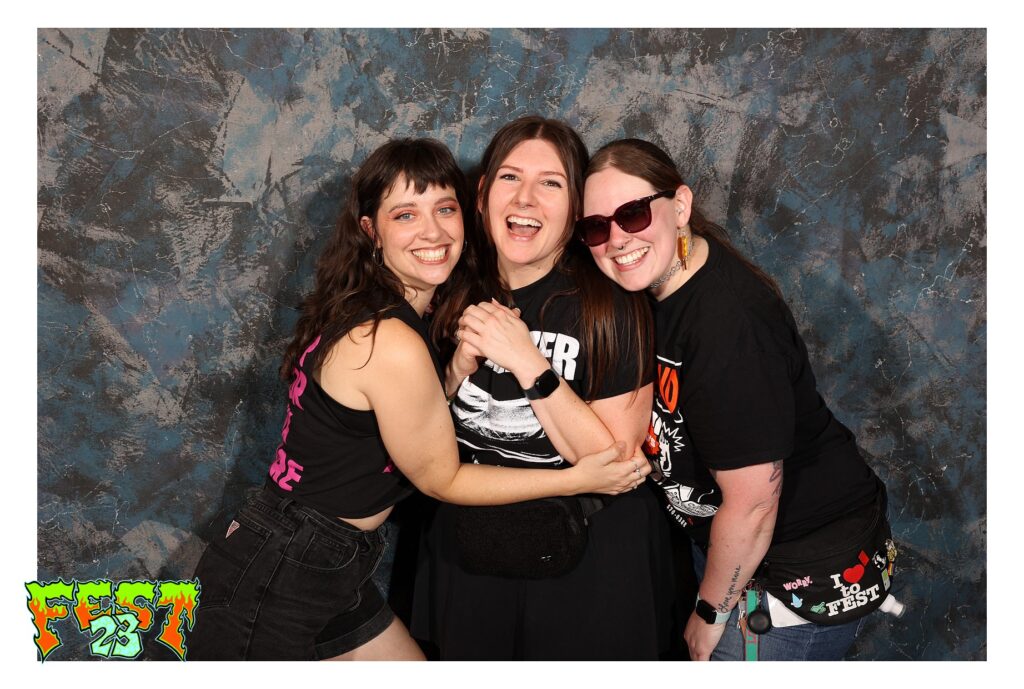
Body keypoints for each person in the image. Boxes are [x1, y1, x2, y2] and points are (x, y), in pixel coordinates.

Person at [187, 138, 649, 661]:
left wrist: (453, 373)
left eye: (444, 209)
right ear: (371, 230)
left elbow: (393, 421)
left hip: (318, 555)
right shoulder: (391, 340)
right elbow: (441, 479)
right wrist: (576, 480)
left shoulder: (376, 309)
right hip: (279, 571)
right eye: (406, 215)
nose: (433, 232)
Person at [579, 138, 895, 661]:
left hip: (793, 574)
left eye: (633, 214)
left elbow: (753, 506)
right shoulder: (660, 288)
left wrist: (710, 612)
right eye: (596, 227)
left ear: (680, 206)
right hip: (736, 555)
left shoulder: (728, 324)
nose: (616, 239)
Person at [411, 117, 675, 660]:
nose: (525, 198)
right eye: (510, 177)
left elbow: (615, 461)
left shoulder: (608, 301)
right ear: (482, 194)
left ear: (576, 207)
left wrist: (527, 362)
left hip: (588, 559)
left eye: (550, 183)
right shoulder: (447, 287)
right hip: (471, 552)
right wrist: (455, 370)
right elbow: (416, 436)